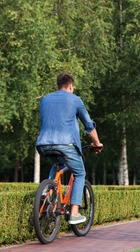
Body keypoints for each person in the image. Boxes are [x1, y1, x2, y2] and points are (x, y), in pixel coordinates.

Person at [36, 72, 103, 225]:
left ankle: (48, 194)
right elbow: (88, 126)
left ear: (58, 86)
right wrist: (97, 144)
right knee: (80, 173)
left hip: (43, 143)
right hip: (66, 144)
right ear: (71, 86)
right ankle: (74, 213)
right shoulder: (75, 100)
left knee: (58, 165)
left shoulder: (45, 99)